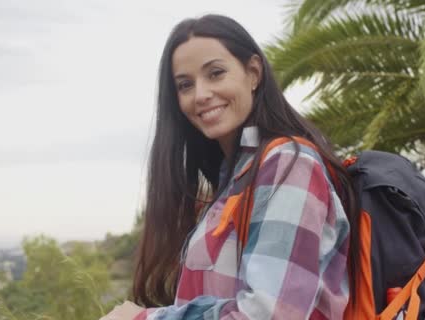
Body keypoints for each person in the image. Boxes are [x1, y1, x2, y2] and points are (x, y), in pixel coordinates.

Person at [100, 14, 360, 320]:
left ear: (253, 73)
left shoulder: (289, 165)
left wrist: (143, 319)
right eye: (185, 85)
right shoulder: (234, 180)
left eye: (216, 73)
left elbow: (272, 314)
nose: (200, 94)